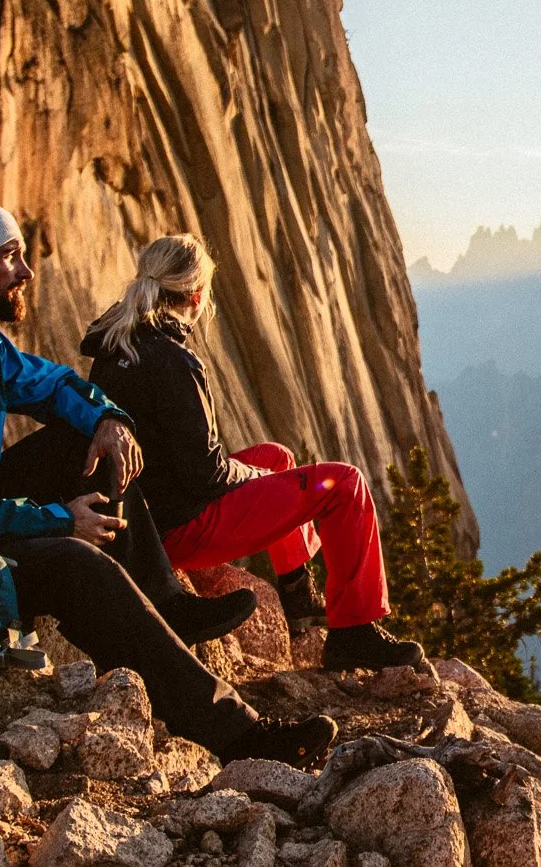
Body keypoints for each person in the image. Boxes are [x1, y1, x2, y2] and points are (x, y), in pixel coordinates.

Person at [0, 198, 336, 765]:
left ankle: (162, 603)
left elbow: (52, 384)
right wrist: (60, 521)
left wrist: (109, 420)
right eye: (9, 257)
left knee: (88, 444)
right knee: (76, 564)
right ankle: (241, 735)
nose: (26, 272)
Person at [82, 234, 431, 675]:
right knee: (344, 484)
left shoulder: (117, 344)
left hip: (150, 512)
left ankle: (296, 593)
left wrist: (259, 470)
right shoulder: (173, 360)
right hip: (182, 525)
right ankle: (355, 632)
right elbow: (206, 475)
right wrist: (252, 476)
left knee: (277, 455)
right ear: (196, 295)